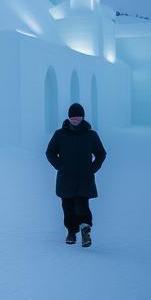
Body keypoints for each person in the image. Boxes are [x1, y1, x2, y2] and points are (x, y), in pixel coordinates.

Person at [46, 102, 107, 247]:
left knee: (82, 204)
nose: (76, 121)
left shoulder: (91, 135)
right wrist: (60, 166)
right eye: (73, 118)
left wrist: (92, 168)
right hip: (66, 178)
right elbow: (50, 152)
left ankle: (86, 231)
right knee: (67, 206)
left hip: (84, 178)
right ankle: (71, 232)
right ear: (69, 118)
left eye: (78, 118)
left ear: (83, 118)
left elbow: (101, 153)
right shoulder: (60, 134)